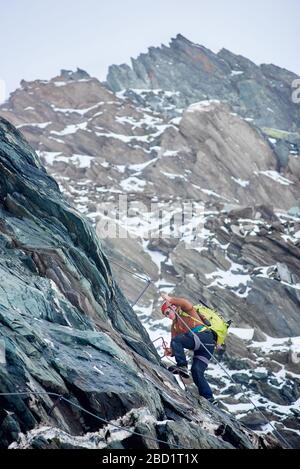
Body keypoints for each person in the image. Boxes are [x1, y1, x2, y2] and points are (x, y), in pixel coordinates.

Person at [161, 293, 216, 402]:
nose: (168, 316)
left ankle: (182, 366)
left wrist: (171, 299)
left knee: (177, 340)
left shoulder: (186, 311)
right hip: (206, 346)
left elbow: (185, 303)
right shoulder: (174, 327)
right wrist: (170, 351)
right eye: (165, 315)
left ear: (173, 307)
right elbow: (176, 345)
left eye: (168, 312)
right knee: (196, 371)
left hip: (203, 337)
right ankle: (209, 398)